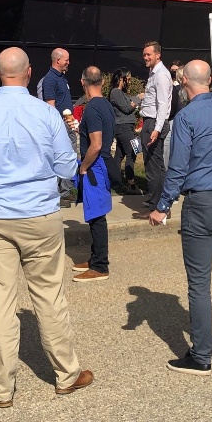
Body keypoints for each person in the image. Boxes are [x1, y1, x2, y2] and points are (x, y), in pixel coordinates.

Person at [0, 47, 93, 407]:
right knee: (49, 295)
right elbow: (65, 166)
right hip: (37, 215)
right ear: (29, 73)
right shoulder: (45, 114)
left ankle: (0, 388)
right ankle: (66, 374)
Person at [149, 60, 212, 375]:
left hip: (202, 201)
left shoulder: (186, 116)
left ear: (184, 81)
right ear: (211, 79)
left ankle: (201, 356)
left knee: (200, 283)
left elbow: (178, 167)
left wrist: (163, 205)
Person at [72, 66, 116, 283]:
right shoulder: (106, 105)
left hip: (95, 166)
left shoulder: (92, 108)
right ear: (102, 82)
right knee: (95, 216)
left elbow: (96, 144)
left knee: (97, 216)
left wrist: (83, 167)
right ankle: (94, 258)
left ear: (83, 82)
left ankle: (100, 266)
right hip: (100, 164)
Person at [139, 41, 173, 213]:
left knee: (153, 166)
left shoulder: (160, 75)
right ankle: (158, 201)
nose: (145, 57)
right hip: (151, 121)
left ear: (157, 55)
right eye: (144, 54)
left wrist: (156, 129)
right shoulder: (154, 73)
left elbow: (163, 104)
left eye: (148, 54)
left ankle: (158, 205)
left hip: (154, 122)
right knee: (156, 165)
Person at [41, 48, 76, 208]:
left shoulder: (62, 79)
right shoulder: (50, 80)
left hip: (68, 124)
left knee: (69, 157)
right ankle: (57, 194)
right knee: (58, 157)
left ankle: (66, 191)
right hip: (60, 126)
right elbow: (50, 107)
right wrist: (58, 129)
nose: (69, 62)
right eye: (66, 60)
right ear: (57, 61)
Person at [108, 67, 142, 196]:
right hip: (123, 127)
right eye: (128, 78)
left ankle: (115, 182)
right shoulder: (116, 92)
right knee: (131, 153)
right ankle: (131, 184)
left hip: (125, 126)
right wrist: (138, 99)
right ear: (121, 78)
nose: (130, 81)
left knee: (119, 155)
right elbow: (127, 108)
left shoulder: (121, 93)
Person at [163, 59, 184, 169]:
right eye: (172, 70)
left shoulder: (179, 88)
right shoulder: (169, 85)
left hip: (175, 119)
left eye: (176, 71)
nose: (173, 73)